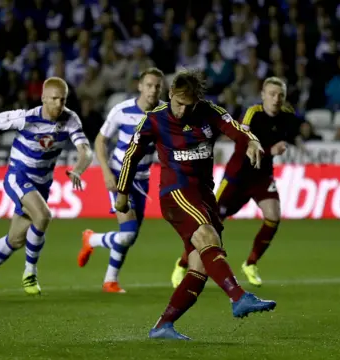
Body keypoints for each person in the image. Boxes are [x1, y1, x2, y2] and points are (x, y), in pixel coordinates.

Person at [115, 70, 277, 340]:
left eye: (188, 105)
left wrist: (251, 140)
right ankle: (239, 297)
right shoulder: (155, 120)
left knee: (199, 266)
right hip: (175, 192)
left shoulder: (209, 112)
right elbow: (132, 154)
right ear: (170, 95)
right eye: (178, 103)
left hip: (203, 195)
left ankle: (162, 326)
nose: (182, 110)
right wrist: (122, 192)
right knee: (207, 235)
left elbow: (235, 128)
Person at [171, 77, 303, 287]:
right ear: (263, 95)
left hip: (262, 176)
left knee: (273, 216)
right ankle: (182, 264)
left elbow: (289, 134)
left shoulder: (288, 116)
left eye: (280, 95)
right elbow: (243, 143)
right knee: (210, 225)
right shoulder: (253, 114)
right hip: (237, 177)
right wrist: (270, 151)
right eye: (272, 94)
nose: (276, 99)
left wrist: (298, 142)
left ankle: (251, 263)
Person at [0, 77, 93, 298]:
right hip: (18, 176)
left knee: (16, 239)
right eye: (54, 99)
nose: (58, 104)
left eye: (62, 100)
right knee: (43, 215)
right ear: (43, 98)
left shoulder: (70, 119)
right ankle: (30, 273)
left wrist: (78, 169)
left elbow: (86, 150)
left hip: (42, 184)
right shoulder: (25, 117)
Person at [77, 68, 164, 293]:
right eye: (149, 85)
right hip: (119, 176)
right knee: (127, 233)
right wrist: (106, 172)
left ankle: (109, 280)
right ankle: (93, 240)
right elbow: (100, 141)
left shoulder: (164, 113)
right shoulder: (122, 110)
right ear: (140, 86)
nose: (153, 89)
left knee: (130, 236)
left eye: (157, 86)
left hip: (143, 181)